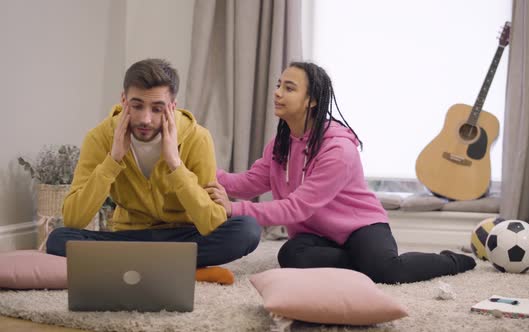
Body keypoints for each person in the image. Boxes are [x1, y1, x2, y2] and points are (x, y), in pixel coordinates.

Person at [206, 62, 475, 284]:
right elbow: (250, 182)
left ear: (311, 100)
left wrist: (234, 209)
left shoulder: (338, 149)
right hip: (317, 233)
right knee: (291, 256)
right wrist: (201, 172)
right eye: (278, 85)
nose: (277, 93)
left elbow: (297, 207)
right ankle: (363, 263)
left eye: (289, 88)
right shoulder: (281, 143)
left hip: (360, 226)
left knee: (388, 272)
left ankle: (451, 261)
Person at [46, 59, 261, 283]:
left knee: (247, 230)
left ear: (172, 106)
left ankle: (133, 266)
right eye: (137, 106)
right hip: (130, 237)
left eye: (157, 109)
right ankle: (185, 269)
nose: (145, 119)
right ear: (123, 100)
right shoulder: (99, 138)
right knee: (59, 239)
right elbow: (73, 219)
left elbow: (212, 223)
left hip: (183, 236)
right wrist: (113, 160)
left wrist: (175, 165)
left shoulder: (198, 137)